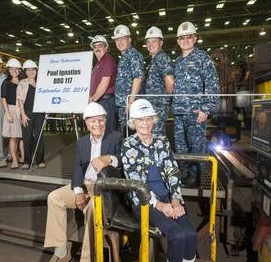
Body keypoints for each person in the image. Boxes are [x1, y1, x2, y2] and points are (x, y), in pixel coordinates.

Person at [44, 102, 122, 262]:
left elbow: (124, 161)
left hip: (104, 188)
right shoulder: (82, 142)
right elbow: (77, 169)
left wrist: (109, 158)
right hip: (85, 184)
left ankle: (87, 258)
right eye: (92, 121)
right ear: (86, 123)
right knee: (54, 197)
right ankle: (61, 251)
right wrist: (79, 192)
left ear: (105, 121)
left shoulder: (116, 137)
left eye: (100, 120)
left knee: (93, 209)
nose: (97, 124)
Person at [122, 99, 197, 262]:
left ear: (153, 120)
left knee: (190, 234)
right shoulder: (128, 145)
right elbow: (136, 184)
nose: (145, 123)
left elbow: (173, 171)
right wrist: (159, 205)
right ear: (133, 122)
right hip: (144, 201)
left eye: (148, 118)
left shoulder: (162, 141)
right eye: (140, 119)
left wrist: (176, 200)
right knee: (176, 235)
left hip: (168, 198)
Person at [172, 21, 220, 187]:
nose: (185, 40)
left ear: (195, 39)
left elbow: (212, 85)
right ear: (178, 41)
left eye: (189, 37)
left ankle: (196, 177)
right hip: (179, 112)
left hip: (195, 112)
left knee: (196, 146)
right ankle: (184, 173)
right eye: (182, 37)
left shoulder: (202, 58)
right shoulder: (177, 61)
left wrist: (206, 109)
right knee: (180, 145)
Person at [112, 24, 144, 133]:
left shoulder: (133, 55)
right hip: (123, 105)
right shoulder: (124, 57)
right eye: (117, 40)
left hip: (130, 105)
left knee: (132, 135)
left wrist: (131, 102)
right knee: (125, 135)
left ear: (129, 39)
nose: (120, 42)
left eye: (123, 39)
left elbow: (138, 78)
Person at [144, 26, 174, 135]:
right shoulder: (154, 59)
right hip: (154, 106)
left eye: (154, 41)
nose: (150, 44)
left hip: (158, 106)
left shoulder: (162, 58)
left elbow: (170, 83)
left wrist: (164, 101)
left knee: (157, 136)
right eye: (148, 41)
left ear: (161, 42)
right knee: (153, 135)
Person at [16, 59, 45, 169]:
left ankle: (40, 160)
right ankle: (27, 161)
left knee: (39, 137)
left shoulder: (41, 83)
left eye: (33, 69)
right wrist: (22, 115)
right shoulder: (22, 83)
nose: (31, 72)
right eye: (28, 70)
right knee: (27, 137)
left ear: (36, 71)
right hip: (27, 112)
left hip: (39, 113)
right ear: (25, 71)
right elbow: (19, 100)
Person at [90, 35, 117, 132]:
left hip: (105, 102)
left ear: (106, 47)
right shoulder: (98, 63)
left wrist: (93, 99)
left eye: (100, 45)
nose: (97, 48)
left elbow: (104, 83)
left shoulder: (107, 60)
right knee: (101, 131)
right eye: (95, 46)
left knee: (108, 132)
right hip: (100, 101)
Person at [1, 58, 24, 169]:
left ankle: (19, 156)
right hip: (11, 109)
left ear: (20, 70)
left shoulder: (22, 82)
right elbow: (3, 98)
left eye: (16, 69)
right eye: (11, 69)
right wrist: (8, 113)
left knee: (20, 136)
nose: (14, 71)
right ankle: (14, 160)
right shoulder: (6, 82)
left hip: (22, 109)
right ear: (8, 70)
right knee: (13, 137)